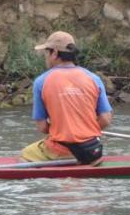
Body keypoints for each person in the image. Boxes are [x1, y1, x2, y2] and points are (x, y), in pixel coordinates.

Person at [20, 30, 114, 164]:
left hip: (62, 150)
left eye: (47, 52)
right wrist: (84, 130)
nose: (45, 56)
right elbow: (105, 119)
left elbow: (42, 127)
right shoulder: (94, 79)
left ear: (55, 53)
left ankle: (62, 160)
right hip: (92, 150)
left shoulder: (41, 82)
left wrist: (61, 129)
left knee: (24, 154)